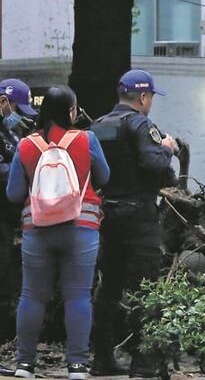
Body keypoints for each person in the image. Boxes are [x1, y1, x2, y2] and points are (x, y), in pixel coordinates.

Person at [5, 86, 109, 380]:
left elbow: (13, 194)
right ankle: (76, 366)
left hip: (37, 231)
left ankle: (24, 365)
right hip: (82, 229)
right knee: (78, 297)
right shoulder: (86, 139)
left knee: (33, 296)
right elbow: (105, 177)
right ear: (71, 111)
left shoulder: (27, 145)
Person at [90, 69, 179, 377]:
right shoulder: (140, 124)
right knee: (146, 288)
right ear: (143, 97)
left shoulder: (99, 126)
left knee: (109, 287)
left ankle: (101, 358)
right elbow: (154, 164)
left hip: (108, 214)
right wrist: (167, 148)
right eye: (151, 97)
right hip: (139, 216)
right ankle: (143, 362)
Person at [0, 79, 37, 340]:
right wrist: (23, 172)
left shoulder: (10, 131)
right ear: (3, 102)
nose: (20, 118)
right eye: (17, 111)